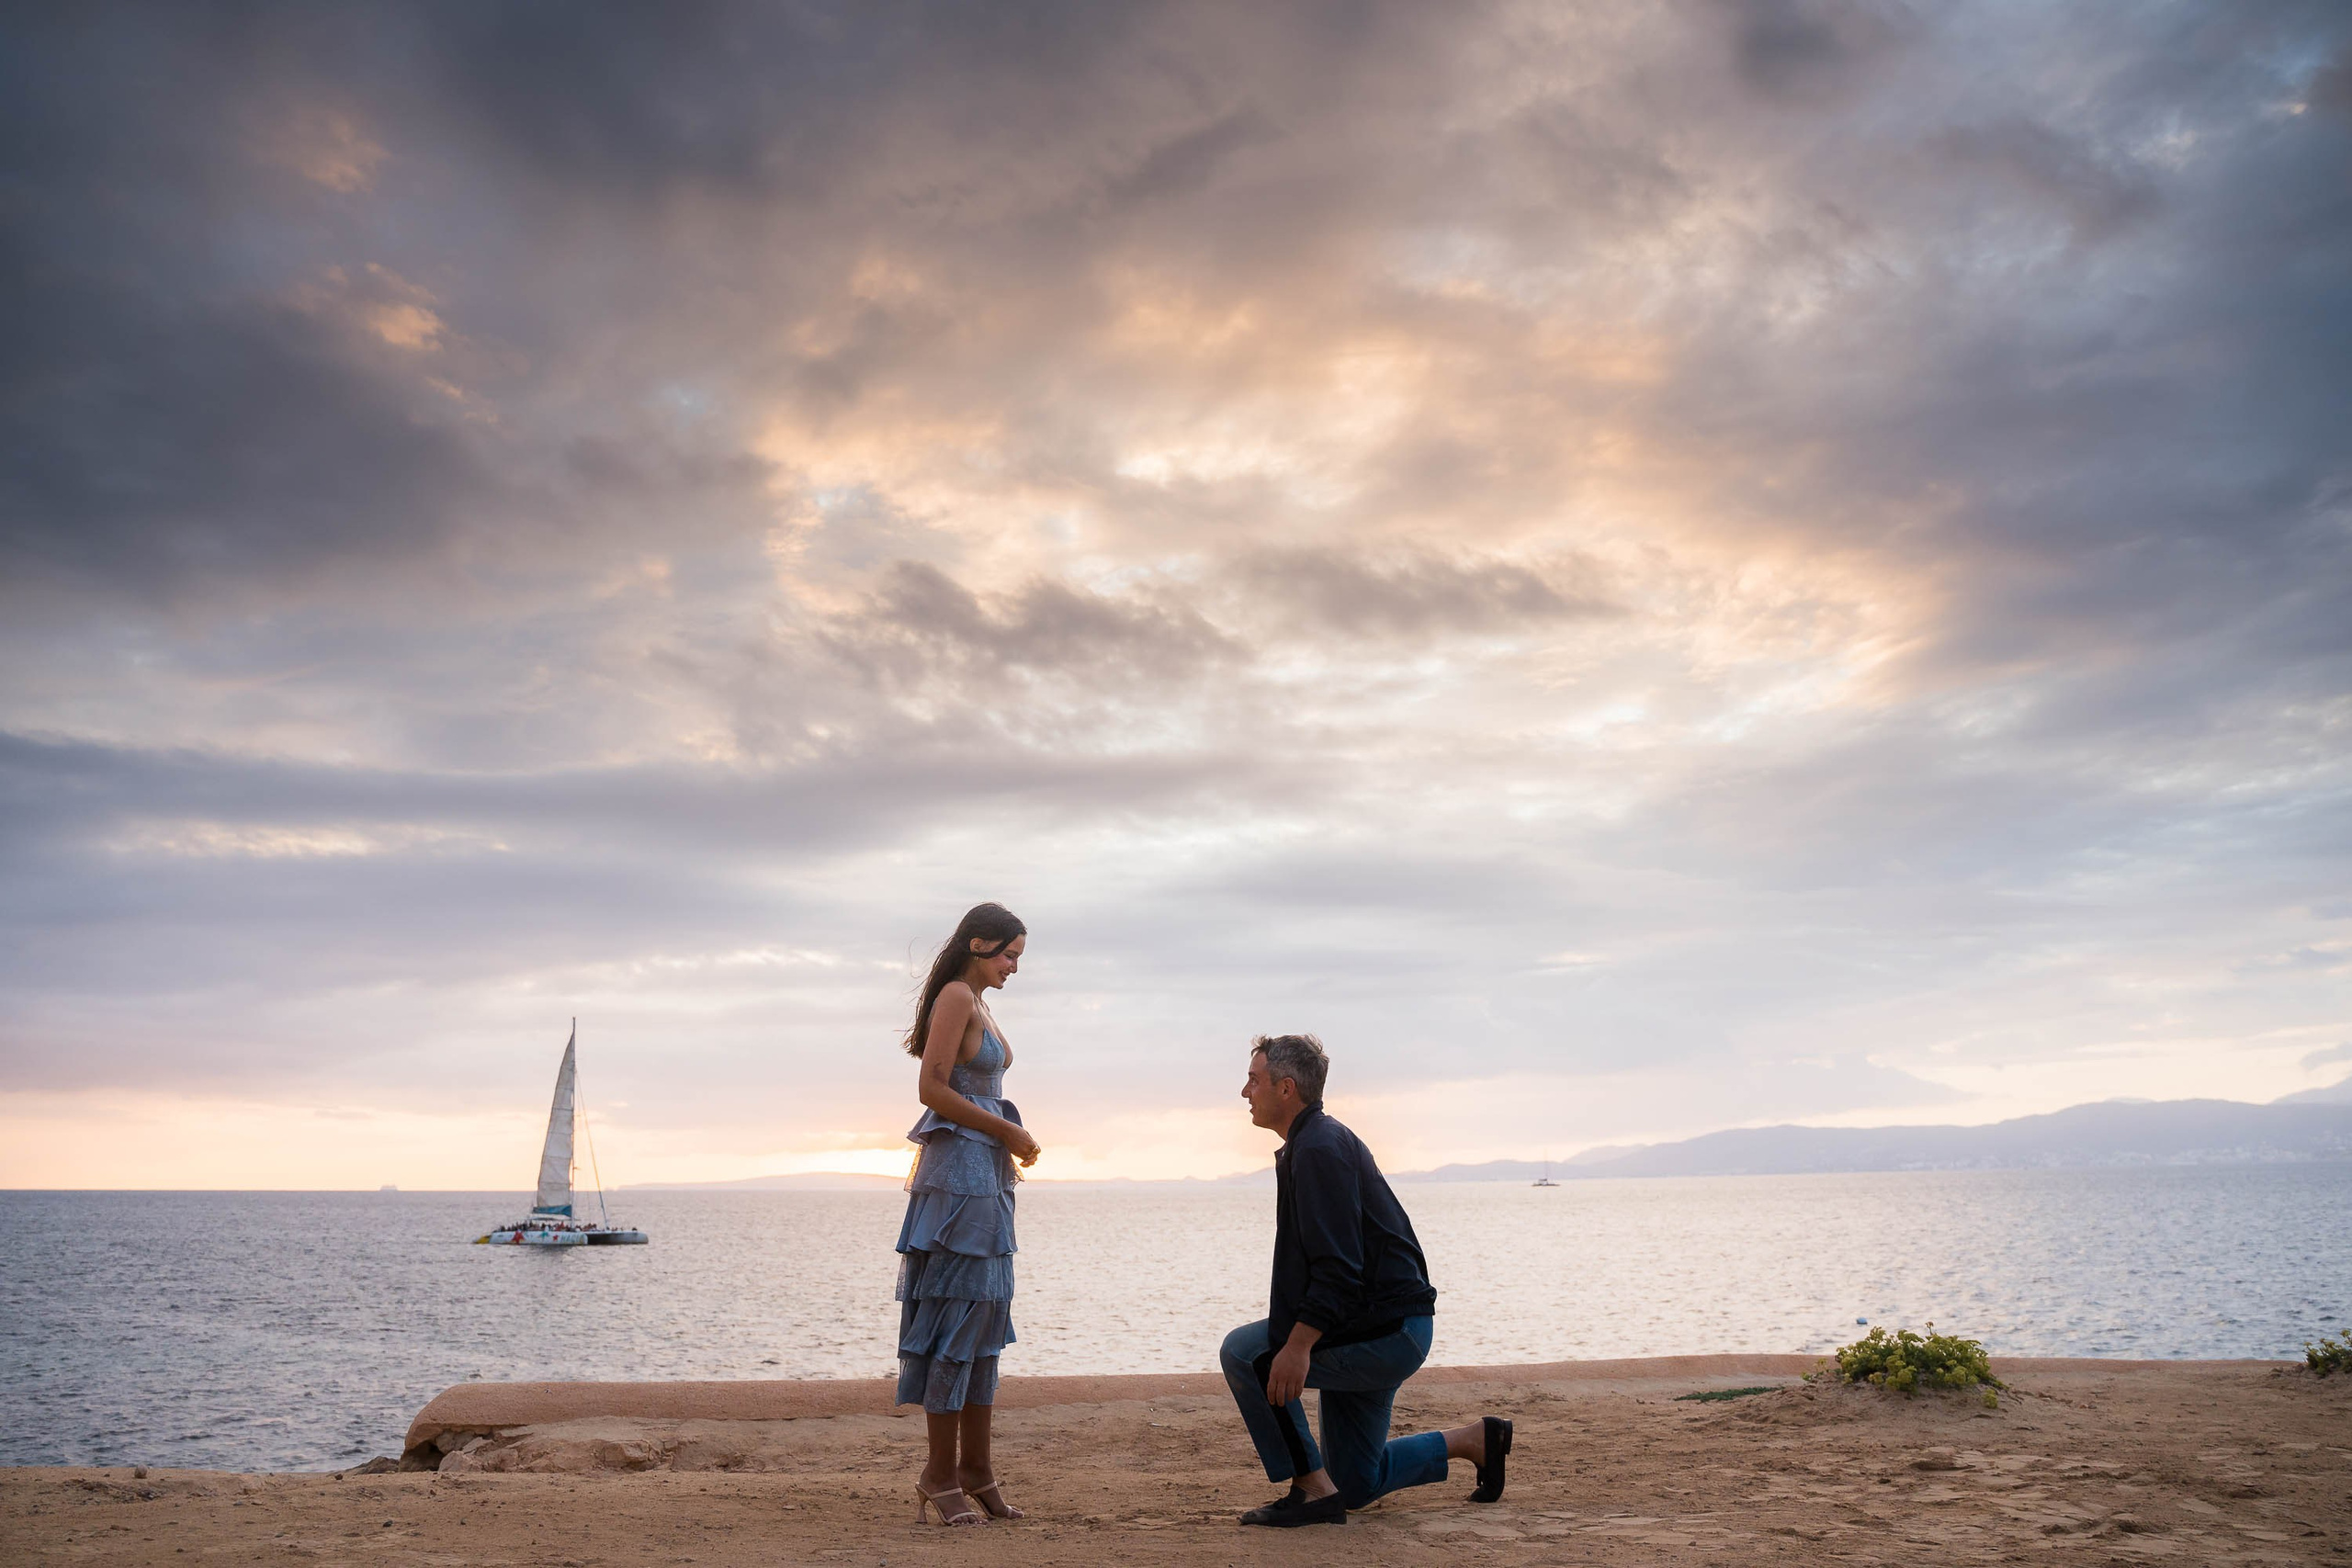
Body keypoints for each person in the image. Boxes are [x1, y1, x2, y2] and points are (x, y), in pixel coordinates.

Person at [1219, 1034, 1513, 1527]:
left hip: (1387, 1330)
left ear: (1286, 1088)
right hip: (1376, 1324)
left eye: (1253, 1079)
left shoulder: (1318, 1149)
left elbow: (1338, 1268)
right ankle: (1475, 1441)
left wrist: (1296, 1347)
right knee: (1355, 1482)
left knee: (1247, 1354)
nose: (1244, 1091)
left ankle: (1311, 1490)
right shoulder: (1310, 1143)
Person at [895, 902, 1040, 1527]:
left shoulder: (979, 1001)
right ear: (978, 943)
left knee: (984, 1323)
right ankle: (938, 1472)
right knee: (957, 1324)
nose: (1014, 966)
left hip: (987, 1184)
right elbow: (932, 1088)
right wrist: (1008, 1132)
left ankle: (977, 1468)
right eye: (1009, 953)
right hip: (956, 1184)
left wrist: (1006, 1140)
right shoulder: (955, 995)